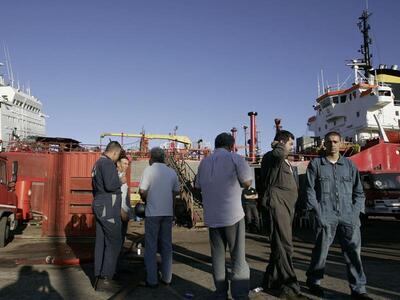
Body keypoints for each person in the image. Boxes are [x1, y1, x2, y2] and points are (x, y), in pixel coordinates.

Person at [305, 131, 372, 300]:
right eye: (329, 141)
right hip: (325, 215)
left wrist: (355, 213)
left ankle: (358, 289)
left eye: (335, 141)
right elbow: (309, 192)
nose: (332, 144)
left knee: (353, 254)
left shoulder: (350, 166)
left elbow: (359, 192)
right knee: (320, 252)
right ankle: (314, 282)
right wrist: (318, 213)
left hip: (349, 216)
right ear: (324, 144)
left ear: (341, 143)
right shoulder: (316, 165)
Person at [195, 132, 252, 300]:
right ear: (231, 146)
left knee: (218, 258)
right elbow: (247, 182)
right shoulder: (235, 158)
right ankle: (240, 295)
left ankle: (221, 294)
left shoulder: (204, 162)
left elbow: (197, 187)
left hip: (212, 217)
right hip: (233, 215)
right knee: (238, 258)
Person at [260, 130, 304, 299]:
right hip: (276, 204)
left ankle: (271, 281)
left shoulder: (282, 159)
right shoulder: (272, 156)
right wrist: (278, 145)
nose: (292, 147)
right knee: (284, 245)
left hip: (285, 206)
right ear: (281, 142)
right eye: (290, 144)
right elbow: (278, 154)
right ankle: (289, 286)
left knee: (279, 244)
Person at [139, 147, 180, 287]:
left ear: (151, 158)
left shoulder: (149, 170)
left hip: (152, 213)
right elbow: (175, 193)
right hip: (167, 213)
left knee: (151, 246)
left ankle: (152, 280)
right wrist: (172, 210)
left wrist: (146, 198)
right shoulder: (171, 172)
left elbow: (142, 191)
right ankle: (167, 278)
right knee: (167, 246)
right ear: (163, 158)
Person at [92, 141, 123, 291]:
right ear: (115, 153)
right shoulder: (108, 164)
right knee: (115, 241)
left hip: (99, 204)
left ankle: (98, 276)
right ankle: (106, 278)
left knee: (101, 241)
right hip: (108, 208)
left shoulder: (97, 164)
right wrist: (120, 180)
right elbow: (111, 185)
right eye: (118, 156)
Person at [117, 153, 132, 247]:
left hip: (124, 212)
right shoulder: (116, 177)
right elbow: (114, 196)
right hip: (119, 213)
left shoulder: (123, 175)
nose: (127, 166)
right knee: (118, 240)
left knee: (121, 239)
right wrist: (121, 211)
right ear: (118, 164)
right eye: (124, 163)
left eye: (127, 164)